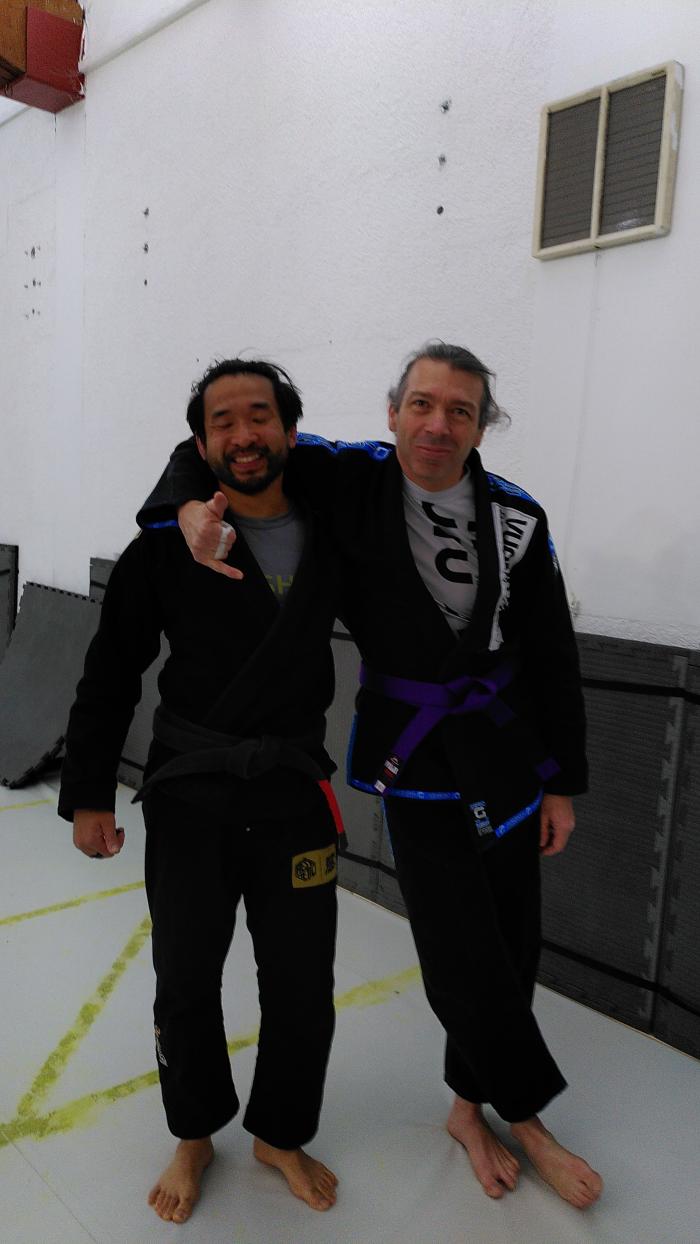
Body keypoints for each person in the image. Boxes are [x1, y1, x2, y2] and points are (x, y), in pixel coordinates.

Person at [138, 342, 603, 1210]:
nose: (438, 424)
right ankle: (528, 1116)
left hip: (507, 753)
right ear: (393, 413)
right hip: (417, 755)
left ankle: (468, 1107)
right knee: (459, 951)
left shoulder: (517, 516)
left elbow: (552, 654)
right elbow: (229, 445)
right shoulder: (350, 479)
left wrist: (562, 782)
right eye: (422, 404)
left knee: (511, 941)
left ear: (482, 427)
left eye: (460, 411)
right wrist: (183, 507)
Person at [59, 360, 342, 1226]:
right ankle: (194, 1132)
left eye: (260, 416)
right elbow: (113, 667)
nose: (244, 435)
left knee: (302, 981)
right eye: (223, 421)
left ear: (291, 431)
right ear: (199, 442)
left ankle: (280, 1133)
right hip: (191, 793)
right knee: (185, 975)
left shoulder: (336, 522)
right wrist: (90, 791)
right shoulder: (165, 543)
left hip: (292, 788)